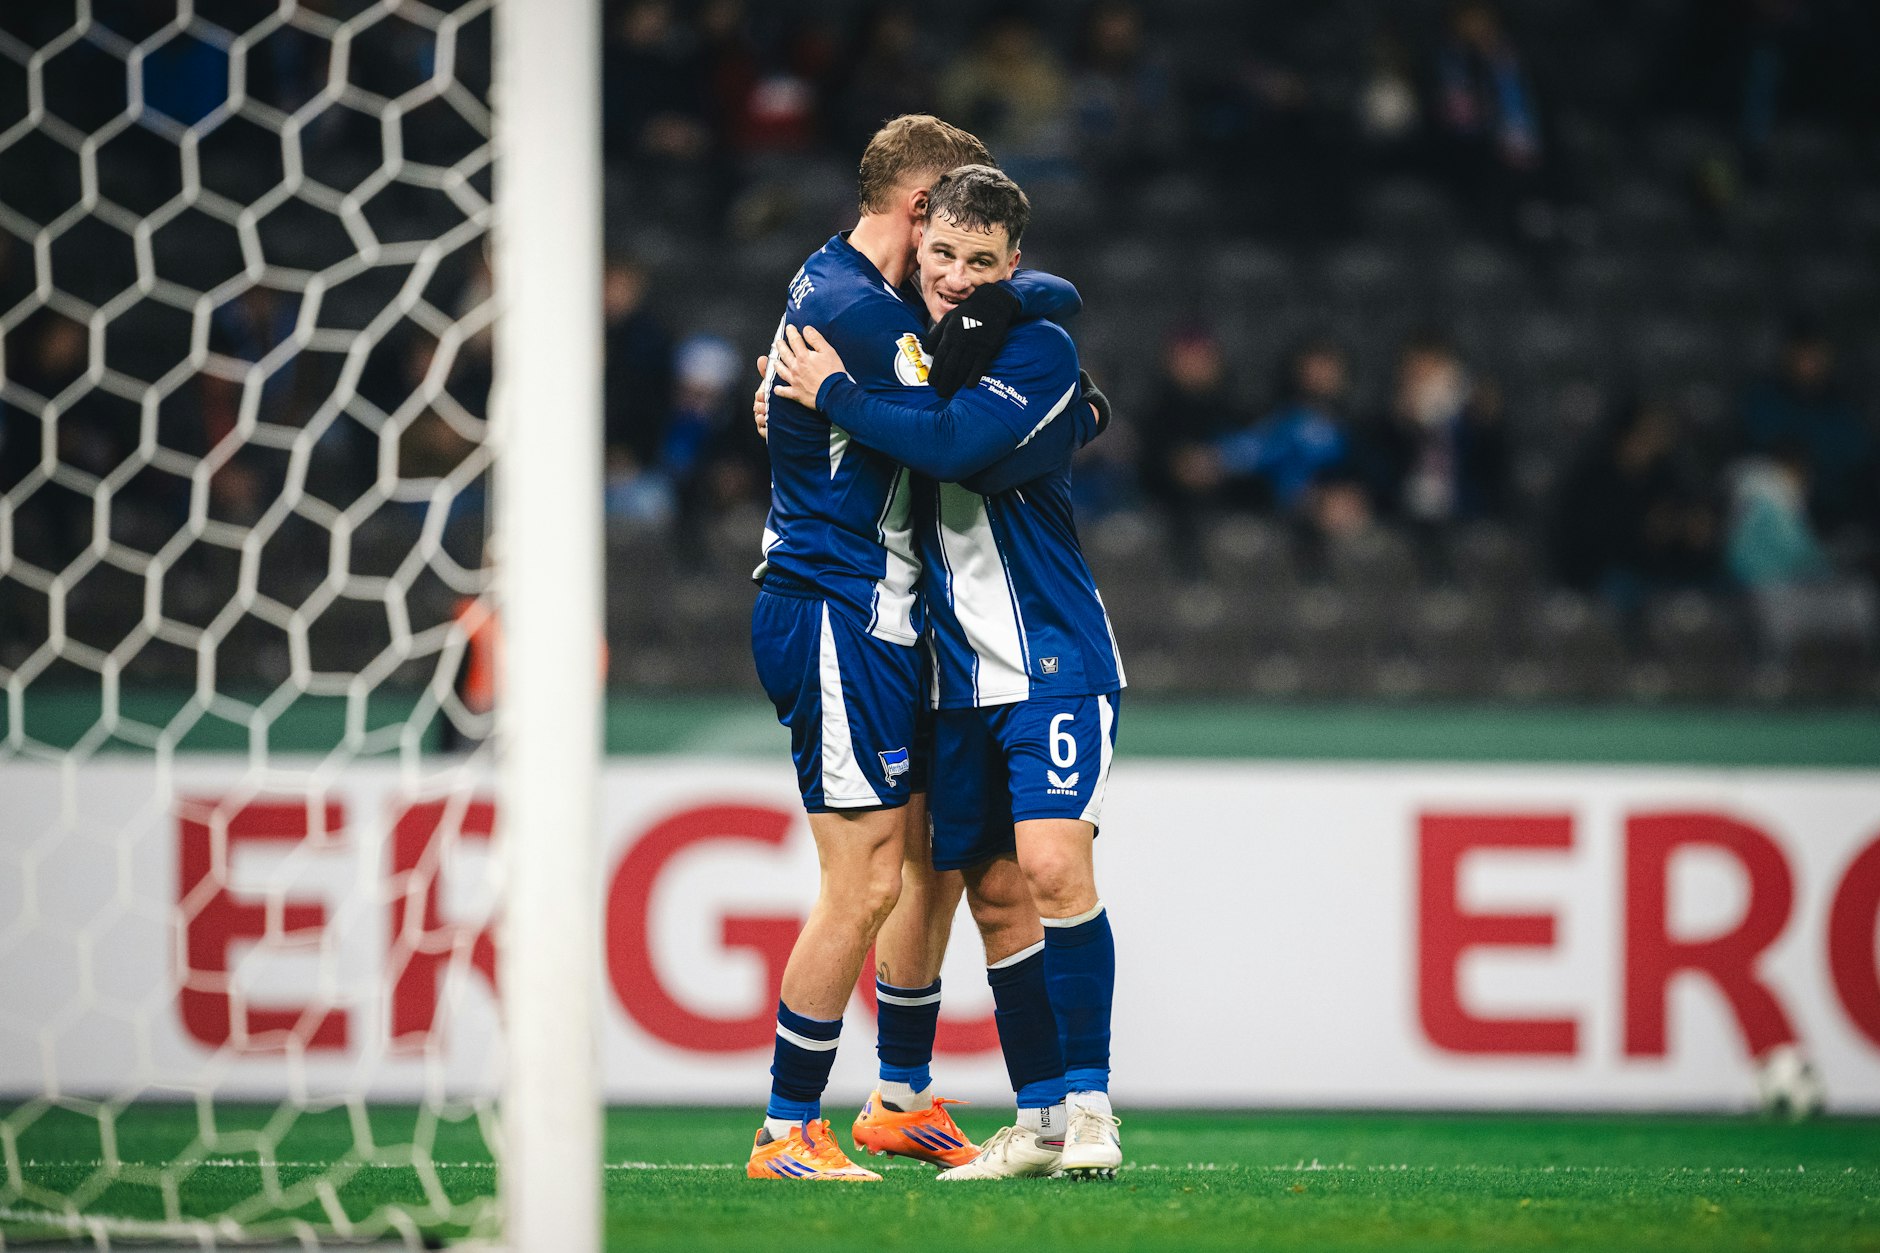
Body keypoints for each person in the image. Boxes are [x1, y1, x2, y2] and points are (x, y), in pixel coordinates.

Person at [745, 116, 1084, 1182]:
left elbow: (1025, 309)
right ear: (915, 209)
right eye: (949, 215)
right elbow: (947, 429)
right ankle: (785, 1125)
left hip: (889, 614)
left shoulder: (867, 295)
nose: (959, 240)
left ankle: (895, 1094)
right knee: (864, 878)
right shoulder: (854, 312)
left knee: (929, 849)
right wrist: (1057, 408)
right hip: (833, 602)